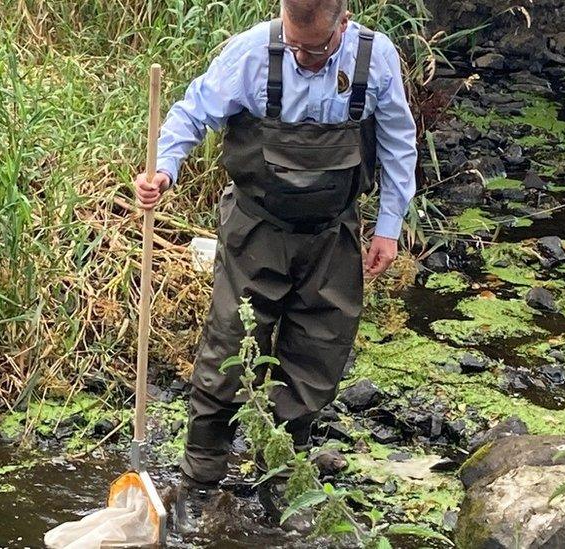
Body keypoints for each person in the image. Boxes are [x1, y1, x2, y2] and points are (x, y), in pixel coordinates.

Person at [133, 0, 417, 534]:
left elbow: (400, 142)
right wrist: (162, 171)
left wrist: (388, 227)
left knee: (317, 354)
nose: (303, 56)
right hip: (256, 228)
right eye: (294, 44)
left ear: (343, 22)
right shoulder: (249, 54)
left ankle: (279, 476)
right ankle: (199, 481)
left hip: (333, 234)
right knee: (227, 350)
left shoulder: (375, 59)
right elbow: (191, 113)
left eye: (315, 49)